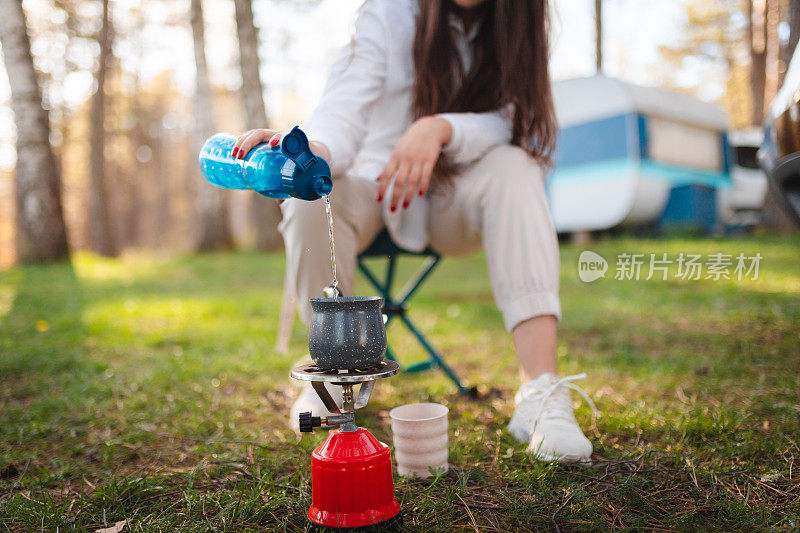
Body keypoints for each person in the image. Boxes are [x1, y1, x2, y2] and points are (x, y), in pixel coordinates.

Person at [232, 0, 598, 463]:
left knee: (516, 164)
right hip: (374, 187)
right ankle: (332, 378)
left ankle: (541, 391)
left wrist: (440, 127)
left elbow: (514, 120)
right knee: (309, 203)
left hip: (459, 198)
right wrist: (307, 151)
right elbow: (343, 108)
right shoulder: (388, 12)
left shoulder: (520, 19)